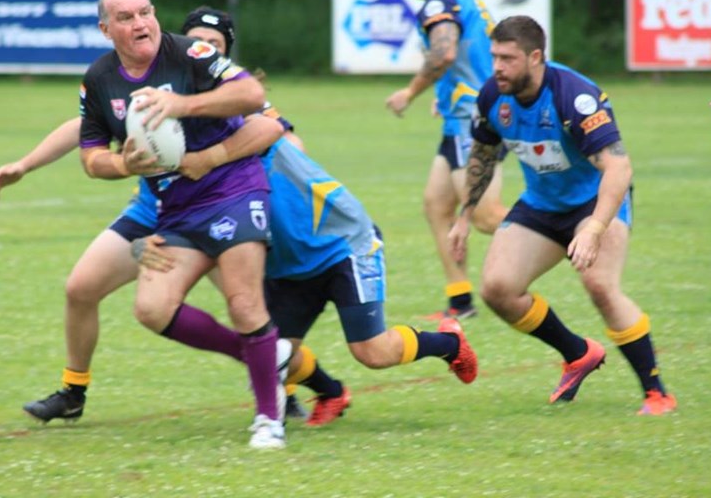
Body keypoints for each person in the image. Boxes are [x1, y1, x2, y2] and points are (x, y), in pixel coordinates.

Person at [0, 5, 324, 444]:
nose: (207, 50)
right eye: (128, 18)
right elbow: (84, 133)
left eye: (217, 47)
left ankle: (293, 394)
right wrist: (28, 164)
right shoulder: (117, 79)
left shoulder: (210, 74)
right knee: (94, 291)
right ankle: (74, 390)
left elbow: (271, 125)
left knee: (246, 307)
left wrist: (220, 155)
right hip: (160, 208)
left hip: (226, 197)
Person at [138, 106, 479, 427]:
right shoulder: (183, 164)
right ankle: (331, 392)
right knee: (270, 352)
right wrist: (143, 242)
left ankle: (448, 342)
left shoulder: (243, 129)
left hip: (343, 245)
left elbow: (279, 130)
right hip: (288, 269)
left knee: (373, 352)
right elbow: (162, 209)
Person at [79, 0, 285, 449]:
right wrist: (122, 165)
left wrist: (183, 104)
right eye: (127, 18)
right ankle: (266, 354)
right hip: (177, 206)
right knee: (152, 309)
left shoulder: (189, 52)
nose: (141, 24)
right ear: (106, 29)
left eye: (146, 12)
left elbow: (253, 95)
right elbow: (90, 157)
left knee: (244, 302)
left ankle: (269, 419)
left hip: (233, 186)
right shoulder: (98, 79)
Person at [448, 15, 676, 415]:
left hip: (596, 200)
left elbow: (619, 168)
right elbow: (483, 153)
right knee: (497, 289)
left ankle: (657, 392)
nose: (497, 67)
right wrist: (465, 215)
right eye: (494, 57)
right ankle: (577, 353)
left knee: (600, 285)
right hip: (541, 203)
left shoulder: (574, 97)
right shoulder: (492, 95)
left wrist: (595, 226)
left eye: (508, 58)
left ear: (536, 57)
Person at [385, 0, 508, 321]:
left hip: (475, 121)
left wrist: (411, 91)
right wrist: (446, 92)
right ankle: (460, 301)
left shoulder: (439, 2)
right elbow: (471, 57)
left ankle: (569, 230)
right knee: (437, 206)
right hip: (465, 113)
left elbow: (444, 53)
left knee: (486, 217)